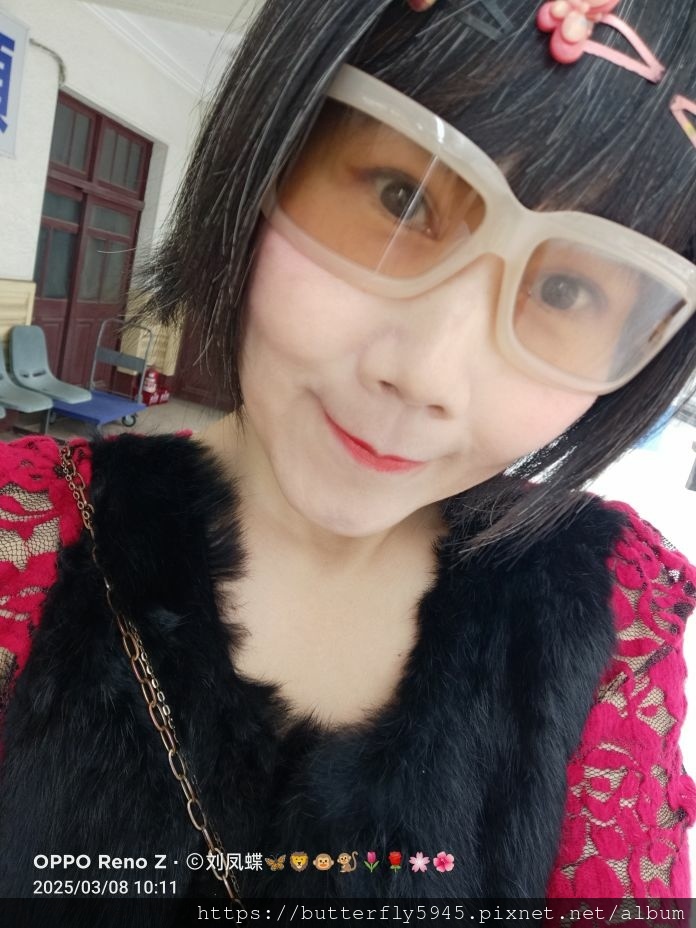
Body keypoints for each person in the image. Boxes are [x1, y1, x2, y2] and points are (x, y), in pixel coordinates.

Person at [0, 0, 695, 918]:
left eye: (566, 288)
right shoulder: (21, 541)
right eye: (401, 197)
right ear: (272, 148)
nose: (425, 374)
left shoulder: (610, 615)